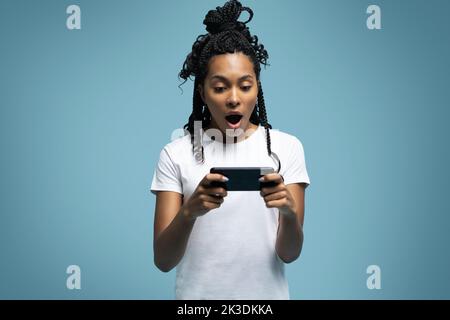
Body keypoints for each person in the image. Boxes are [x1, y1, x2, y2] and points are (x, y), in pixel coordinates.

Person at [150, 0, 310, 300]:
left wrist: (288, 213)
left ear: (257, 88)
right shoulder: (176, 154)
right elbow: (163, 260)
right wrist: (189, 212)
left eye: (245, 86)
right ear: (202, 91)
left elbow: (289, 254)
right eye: (220, 87)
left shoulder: (286, 148)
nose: (234, 99)